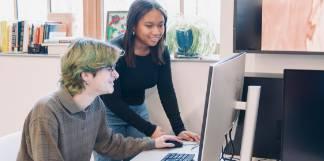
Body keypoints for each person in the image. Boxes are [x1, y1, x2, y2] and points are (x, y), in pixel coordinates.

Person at [17, 38, 179, 161]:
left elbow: (109, 144)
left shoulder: (94, 103)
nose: (116, 75)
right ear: (86, 75)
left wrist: (154, 143)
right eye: (110, 69)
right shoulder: (46, 112)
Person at [95, 0, 200, 161]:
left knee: (144, 157)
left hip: (138, 111)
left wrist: (179, 129)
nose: (157, 31)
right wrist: (150, 129)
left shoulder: (161, 51)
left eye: (161, 25)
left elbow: (166, 91)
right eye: (149, 25)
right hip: (109, 113)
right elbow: (112, 100)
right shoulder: (113, 51)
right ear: (133, 26)